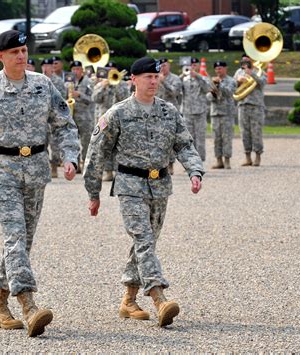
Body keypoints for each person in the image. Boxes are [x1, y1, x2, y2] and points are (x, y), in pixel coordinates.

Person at [0, 30, 80, 337]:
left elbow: (64, 124)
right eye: (14, 52)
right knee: (15, 234)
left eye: (24, 50)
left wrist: (70, 157)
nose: (21, 56)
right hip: (0, 171)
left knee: (23, 240)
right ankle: (28, 304)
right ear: (0, 56)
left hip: (36, 170)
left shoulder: (42, 84)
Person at [84, 56, 204, 327]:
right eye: (148, 77)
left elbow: (184, 144)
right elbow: (96, 154)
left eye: (156, 76)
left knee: (146, 242)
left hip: (160, 185)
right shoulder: (118, 113)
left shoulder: (168, 112)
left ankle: (128, 300)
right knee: (144, 238)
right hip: (130, 185)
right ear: (133, 80)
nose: (154, 81)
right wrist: (94, 193)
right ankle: (159, 297)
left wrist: (195, 171)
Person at [91, 61, 130, 181]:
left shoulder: (122, 84)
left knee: (120, 145)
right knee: (104, 145)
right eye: (108, 70)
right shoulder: (100, 84)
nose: (110, 73)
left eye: (113, 70)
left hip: (119, 118)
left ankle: (120, 171)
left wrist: (116, 84)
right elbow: (95, 99)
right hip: (104, 119)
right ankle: (107, 172)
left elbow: (125, 99)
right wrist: (103, 86)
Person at [234, 58, 266, 166]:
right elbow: (232, 86)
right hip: (242, 105)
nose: (245, 61)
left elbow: (262, 83)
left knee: (256, 132)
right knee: (244, 132)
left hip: (256, 106)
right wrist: (238, 81)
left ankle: (258, 156)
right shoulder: (238, 72)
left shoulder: (260, 70)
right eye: (243, 60)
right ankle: (247, 157)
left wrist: (252, 74)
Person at [206, 61, 237, 169]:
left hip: (227, 113)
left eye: (220, 68)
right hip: (215, 113)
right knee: (216, 138)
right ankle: (219, 160)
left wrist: (220, 85)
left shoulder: (231, 81)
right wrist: (213, 92)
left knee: (227, 137)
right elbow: (208, 97)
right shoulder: (212, 81)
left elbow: (230, 92)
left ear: (225, 68)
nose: (218, 71)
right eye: (216, 69)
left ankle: (227, 160)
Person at [180, 57, 211, 162]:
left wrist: (197, 76)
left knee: (200, 139)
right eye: (190, 65)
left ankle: (200, 162)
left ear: (198, 66)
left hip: (200, 112)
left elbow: (207, 89)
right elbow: (176, 89)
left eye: (194, 65)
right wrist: (182, 76)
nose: (192, 67)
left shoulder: (203, 78)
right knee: (188, 139)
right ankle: (191, 162)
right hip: (187, 112)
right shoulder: (184, 79)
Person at [157, 57, 183, 175]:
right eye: (161, 66)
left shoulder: (175, 78)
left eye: (165, 66)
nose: (163, 68)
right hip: (157, 112)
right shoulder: (154, 78)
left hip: (170, 113)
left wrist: (164, 82)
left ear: (169, 66)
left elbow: (175, 92)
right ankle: (160, 164)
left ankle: (170, 165)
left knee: (170, 139)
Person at [41, 58, 66, 178]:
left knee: (55, 145)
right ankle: (45, 167)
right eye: (44, 66)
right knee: (42, 144)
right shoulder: (37, 80)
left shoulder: (59, 82)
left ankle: (55, 167)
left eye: (48, 65)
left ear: (52, 67)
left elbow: (62, 98)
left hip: (54, 118)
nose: (46, 68)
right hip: (41, 119)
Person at [69, 60, 94, 170]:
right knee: (73, 142)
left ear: (82, 70)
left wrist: (79, 95)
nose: (75, 71)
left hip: (85, 117)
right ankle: (76, 164)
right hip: (72, 116)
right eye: (73, 69)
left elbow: (91, 99)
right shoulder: (68, 82)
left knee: (86, 142)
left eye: (78, 69)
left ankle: (85, 163)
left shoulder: (88, 82)